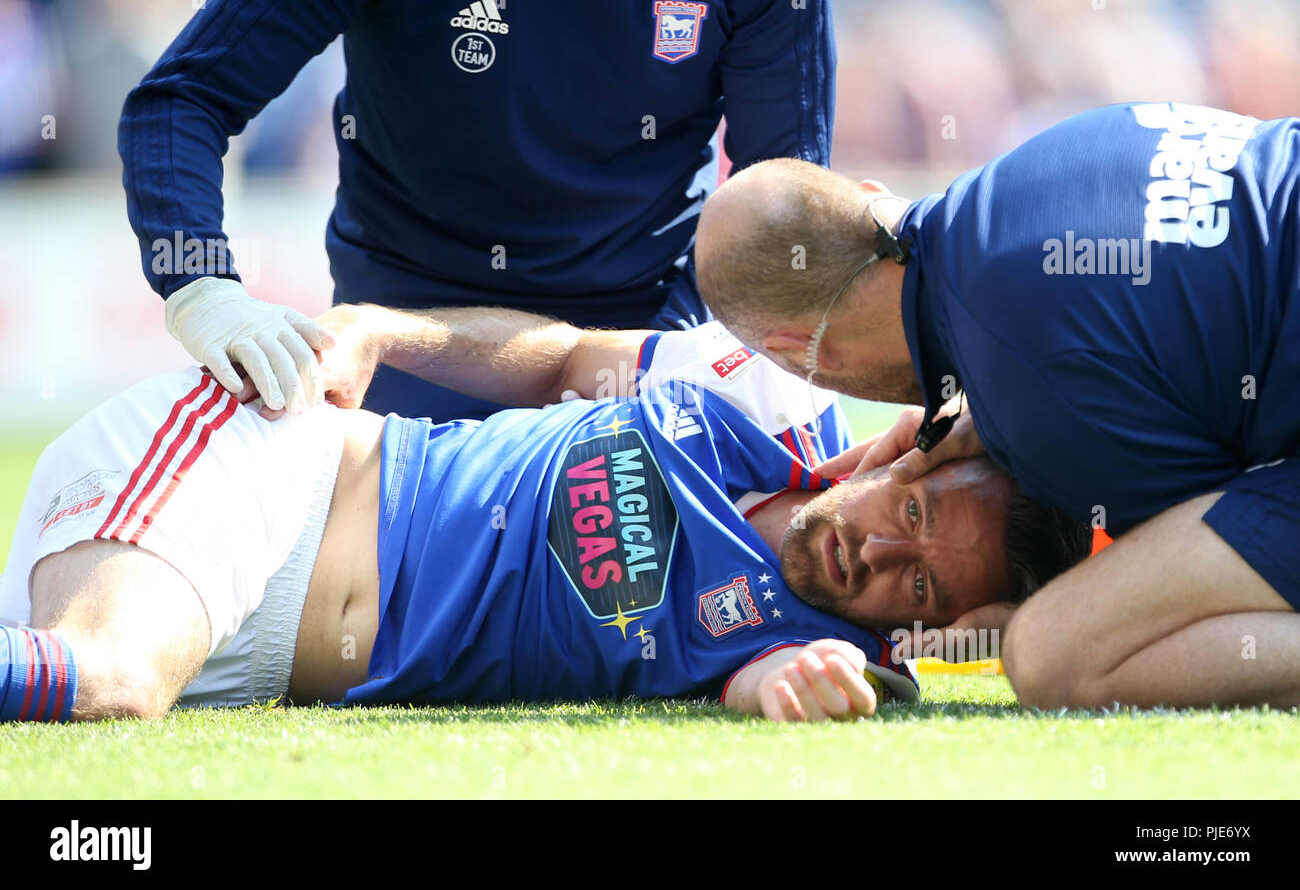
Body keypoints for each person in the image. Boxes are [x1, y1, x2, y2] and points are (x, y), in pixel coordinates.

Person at [0, 305, 1088, 724]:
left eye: (919, 580)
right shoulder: (754, 397)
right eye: (906, 509)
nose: (877, 550)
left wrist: (779, 684)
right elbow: (565, 358)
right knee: (105, 678)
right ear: (902, 451)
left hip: (248, 661)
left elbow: (768, 680)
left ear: (932, 620)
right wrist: (385, 332)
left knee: (90, 688)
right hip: (263, 472)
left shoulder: (828, 654)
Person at [692, 101, 1300, 710]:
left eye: (912, 513)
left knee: (1058, 651)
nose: (876, 549)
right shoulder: (1048, 158)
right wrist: (1000, 404)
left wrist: (1022, 615)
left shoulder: (1038, 393)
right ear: (872, 196)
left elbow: (1179, 581)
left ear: (802, 351)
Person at [118, 0, 838, 422]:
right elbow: (184, 97)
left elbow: (783, 206)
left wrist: (697, 360)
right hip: (397, 348)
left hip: (641, 345)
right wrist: (202, 287)